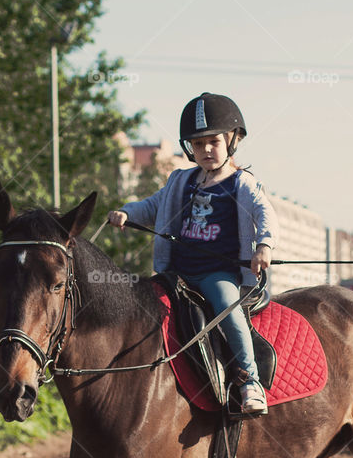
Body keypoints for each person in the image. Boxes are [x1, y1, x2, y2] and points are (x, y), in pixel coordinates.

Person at [108, 92, 278, 414]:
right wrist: (127, 212)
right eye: (198, 145)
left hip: (216, 274)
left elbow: (265, 213)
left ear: (233, 140)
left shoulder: (242, 183)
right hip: (176, 274)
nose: (206, 150)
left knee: (228, 308)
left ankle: (249, 382)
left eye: (213, 141)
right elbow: (152, 206)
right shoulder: (180, 181)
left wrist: (264, 246)